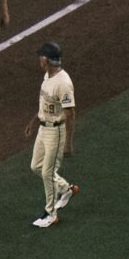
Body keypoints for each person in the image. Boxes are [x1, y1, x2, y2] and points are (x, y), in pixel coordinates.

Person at [26, 41, 79, 228]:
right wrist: (33, 121)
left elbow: (70, 113)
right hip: (43, 128)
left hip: (56, 132)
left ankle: (50, 214)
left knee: (47, 173)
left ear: (46, 59)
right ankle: (66, 188)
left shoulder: (63, 83)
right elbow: (45, 104)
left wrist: (68, 142)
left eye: (41, 56)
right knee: (35, 166)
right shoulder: (47, 76)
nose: (39, 59)